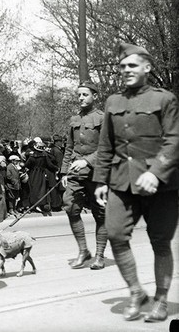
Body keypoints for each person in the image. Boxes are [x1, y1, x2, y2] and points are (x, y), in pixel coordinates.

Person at [94, 42, 179, 323]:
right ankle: (135, 292)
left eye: (132, 65)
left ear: (147, 67)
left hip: (161, 186)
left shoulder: (165, 99)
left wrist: (155, 172)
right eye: (122, 67)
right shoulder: (113, 102)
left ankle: (161, 299)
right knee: (116, 235)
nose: (126, 70)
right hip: (120, 182)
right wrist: (100, 181)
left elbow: (173, 141)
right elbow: (106, 144)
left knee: (161, 242)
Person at [60, 81, 107, 270]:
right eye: (79, 95)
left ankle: (100, 256)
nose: (81, 98)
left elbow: (107, 148)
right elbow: (69, 147)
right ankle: (83, 251)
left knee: (100, 214)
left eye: (85, 95)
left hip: (98, 173)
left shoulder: (103, 118)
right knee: (70, 206)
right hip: (76, 173)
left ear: (94, 96)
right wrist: (64, 171)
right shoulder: (74, 119)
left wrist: (87, 161)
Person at [24, 137, 57, 216]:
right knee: (42, 189)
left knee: (33, 189)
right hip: (41, 174)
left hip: (33, 174)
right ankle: (42, 205)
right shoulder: (44, 157)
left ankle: (34, 205)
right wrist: (57, 168)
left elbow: (27, 165)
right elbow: (50, 165)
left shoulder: (32, 157)